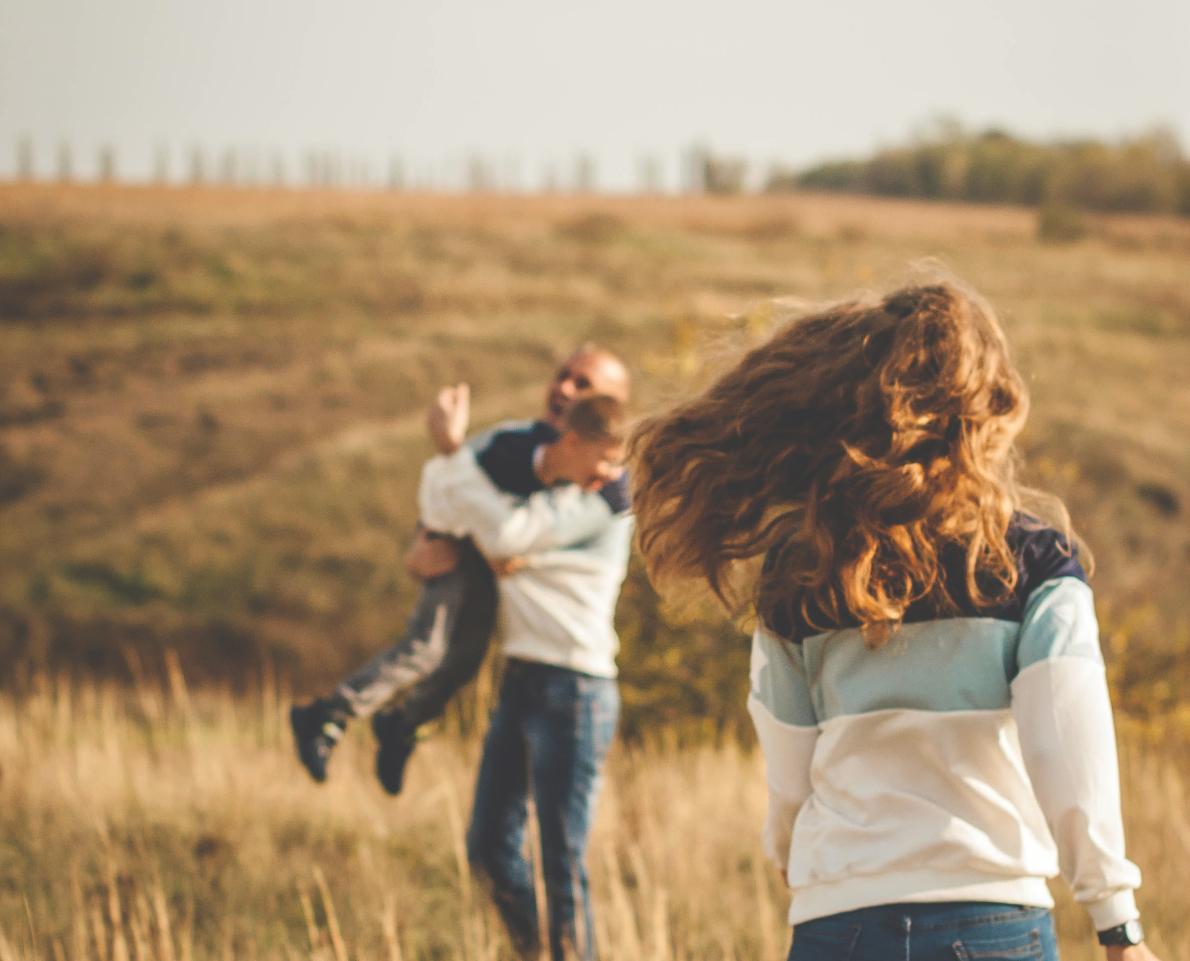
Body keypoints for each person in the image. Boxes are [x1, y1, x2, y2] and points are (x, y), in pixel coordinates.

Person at [629, 281, 1162, 961]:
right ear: (987, 409)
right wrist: (1116, 921)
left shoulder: (801, 572)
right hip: (991, 916)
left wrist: (802, 858)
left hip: (839, 921)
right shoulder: (1033, 564)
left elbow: (789, 772)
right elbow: (1067, 746)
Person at [290, 345, 630, 794]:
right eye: (561, 375)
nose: (564, 388)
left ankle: (401, 726)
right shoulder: (509, 440)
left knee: (461, 663)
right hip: (471, 578)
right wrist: (426, 538)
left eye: (582, 384)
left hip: (562, 656)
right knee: (428, 649)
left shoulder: (609, 486)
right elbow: (449, 481)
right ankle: (330, 718)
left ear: (612, 406)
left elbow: (526, 535)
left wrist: (509, 549)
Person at [416, 392, 633, 961]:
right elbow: (462, 512)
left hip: (576, 690)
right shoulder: (546, 493)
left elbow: (505, 533)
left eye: (618, 462)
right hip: (523, 682)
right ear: (572, 443)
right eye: (605, 459)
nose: (613, 473)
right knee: (489, 846)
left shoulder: (608, 501)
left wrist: (453, 454)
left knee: (562, 866)